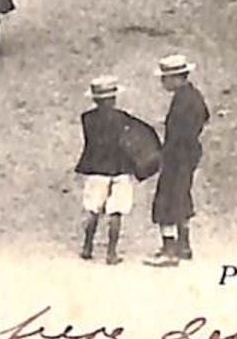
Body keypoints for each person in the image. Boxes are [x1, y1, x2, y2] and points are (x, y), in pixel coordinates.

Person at [73, 76, 160, 265]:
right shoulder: (123, 119)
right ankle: (111, 253)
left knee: (93, 210)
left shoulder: (87, 119)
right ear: (114, 98)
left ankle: (87, 247)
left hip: (96, 169)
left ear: (95, 99)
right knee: (116, 212)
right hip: (120, 169)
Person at [148, 54, 211, 266]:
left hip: (177, 153)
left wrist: (165, 150)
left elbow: (177, 132)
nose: (163, 83)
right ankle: (184, 245)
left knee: (167, 197)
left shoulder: (182, 100)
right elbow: (205, 116)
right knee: (182, 195)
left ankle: (169, 249)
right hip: (190, 151)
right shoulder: (194, 96)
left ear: (176, 78)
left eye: (165, 78)